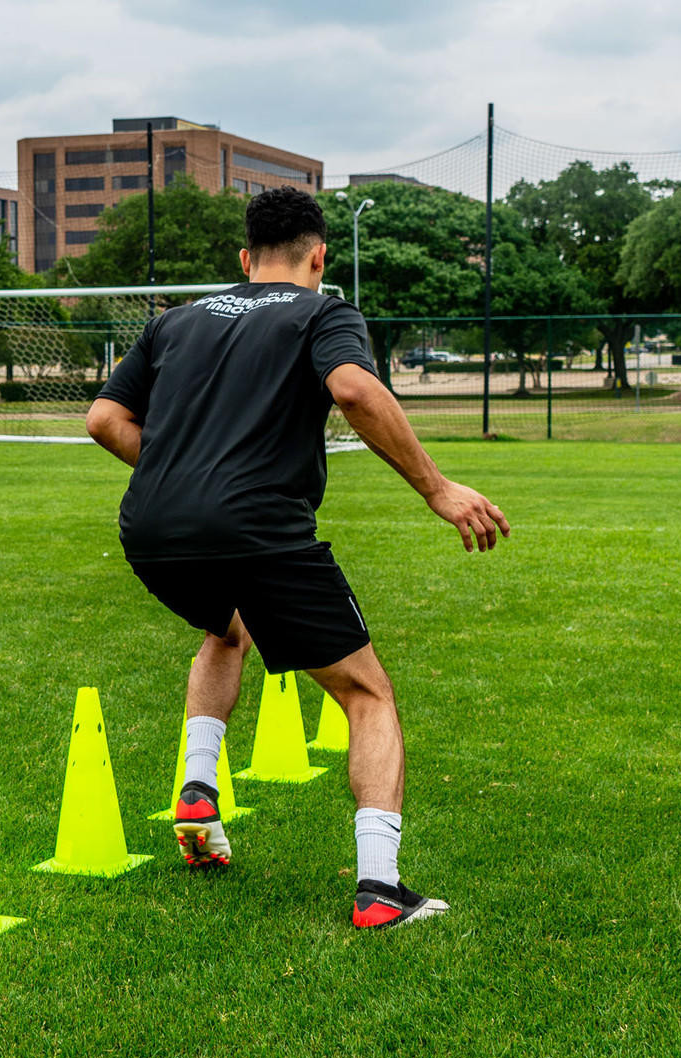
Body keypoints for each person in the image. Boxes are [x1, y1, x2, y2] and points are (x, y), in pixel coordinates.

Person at [85, 186, 510, 930]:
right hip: (257, 527)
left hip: (151, 530)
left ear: (245, 260)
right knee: (367, 695)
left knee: (227, 630)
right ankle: (381, 890)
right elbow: (351, 386)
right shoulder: (323, 310)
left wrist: (179, 474)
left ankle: (196, 789)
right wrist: (438, 489)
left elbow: (102, 418)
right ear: (319, 256)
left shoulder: (175, 321)